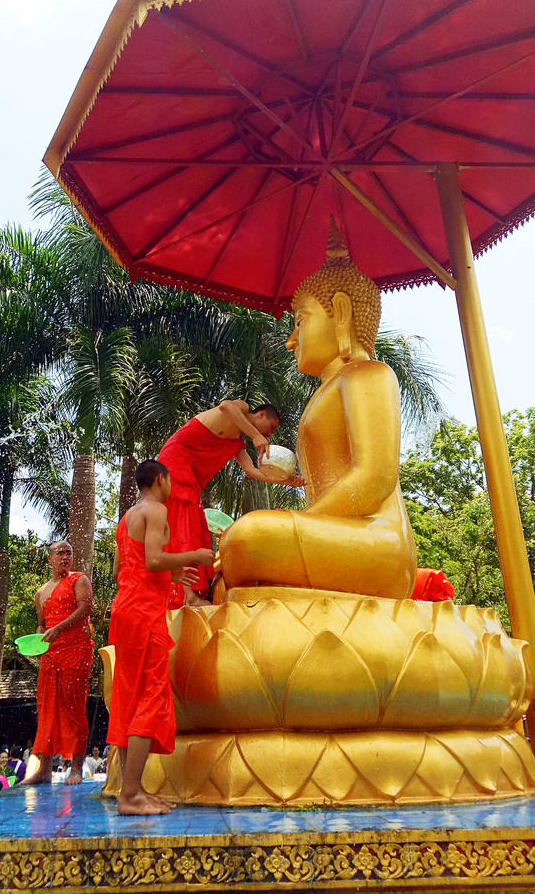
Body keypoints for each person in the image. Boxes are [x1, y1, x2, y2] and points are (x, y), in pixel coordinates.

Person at [218, 222, 417, 598]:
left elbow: (374, 479)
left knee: (248, 537)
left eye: (300, 321)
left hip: (377, 542)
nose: (292, 340)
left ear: (341, 312)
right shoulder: (327, 392)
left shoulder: (367, 375)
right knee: (229, 573)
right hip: (338, 538)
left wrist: (303, 522)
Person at [107, 459, 215, 815]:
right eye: (171, 481)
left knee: (130, 697)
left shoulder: (127, 517)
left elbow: (124, 569)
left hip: (126, 610)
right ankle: (131, 794)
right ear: (162, 479)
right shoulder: (156, 511)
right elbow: (153, 559)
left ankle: (131, 790)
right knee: (151, 694)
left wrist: (172, 575)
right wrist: (196, 555)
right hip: (142, 615)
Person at [158, 401, 303, 608]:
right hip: (176, 463)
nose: (271, 433)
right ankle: (186, 595)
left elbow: (252, 471)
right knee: (183, 526)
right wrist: (256, 435)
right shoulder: (240, 408)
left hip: (190, 479)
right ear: (261, 414)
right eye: (272, 427)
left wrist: (286, 479)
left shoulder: (238, 442)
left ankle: (185, 593)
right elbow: (225, 406)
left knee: (193, 527)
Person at [22, 540, 94, 786]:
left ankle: (76, 768)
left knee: (74, 706)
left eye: (69, 552)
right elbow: (43, 625)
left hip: (76, 649)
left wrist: (59, 629)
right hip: (51, 654)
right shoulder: (41, 592)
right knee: (47, 708)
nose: (65, 557)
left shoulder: (78, 579)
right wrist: (37, 640)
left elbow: (85, 609)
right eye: (60, 553)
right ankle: (43, 769)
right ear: (49, 559)